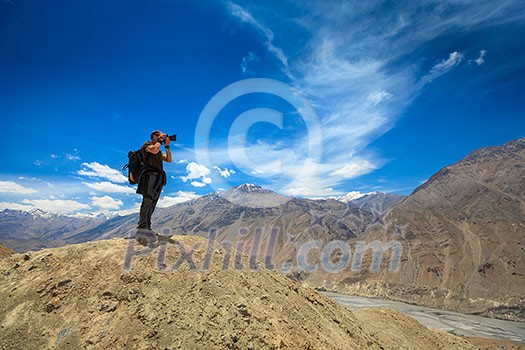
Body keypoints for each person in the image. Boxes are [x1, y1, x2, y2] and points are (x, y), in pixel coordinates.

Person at [136, 130, 172, 236]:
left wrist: (167, 146)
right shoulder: (147, 145)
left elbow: (169, 159)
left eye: (161, 135)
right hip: (149, 176)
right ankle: (142, 228)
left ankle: (147, 227)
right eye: (158, 135)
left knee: (153, 202)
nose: (160, 137)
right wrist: (160, 142)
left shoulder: (159, 149)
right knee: (147, 200)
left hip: (158, 177)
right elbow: (155, 150)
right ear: (153, 137)